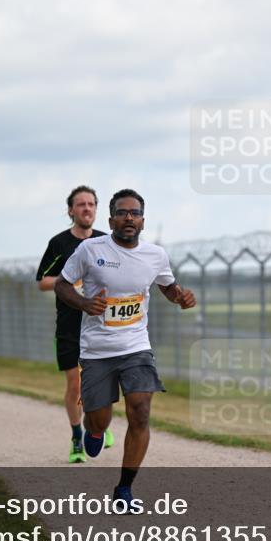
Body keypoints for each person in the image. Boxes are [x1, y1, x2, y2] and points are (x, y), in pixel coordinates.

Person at [55, 188, 196, 507]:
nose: (128, 218)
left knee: (140, 410)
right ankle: (92, 431)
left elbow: (168, 286)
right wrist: (84, 303)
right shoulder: (90, 250)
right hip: (97, 352)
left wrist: (181, 298)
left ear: (142, 221)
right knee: (98, 421)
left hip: (136, 347)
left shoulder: (155, 255)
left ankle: (124, 490)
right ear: (111, 219)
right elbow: (63, 284)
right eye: (122, 212)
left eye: (134, 213)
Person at [36, 185, 113, 463]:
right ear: (71, 210)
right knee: (76, 385)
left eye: (91, 204)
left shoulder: (107, 241)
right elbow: (42, 281)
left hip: (101, 325)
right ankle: (76, 435)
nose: (86, 208)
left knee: (103, 380)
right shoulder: (59, 243)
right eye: (80, 204)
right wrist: (71, 283)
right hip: (69, 325)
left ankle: (99, 425)